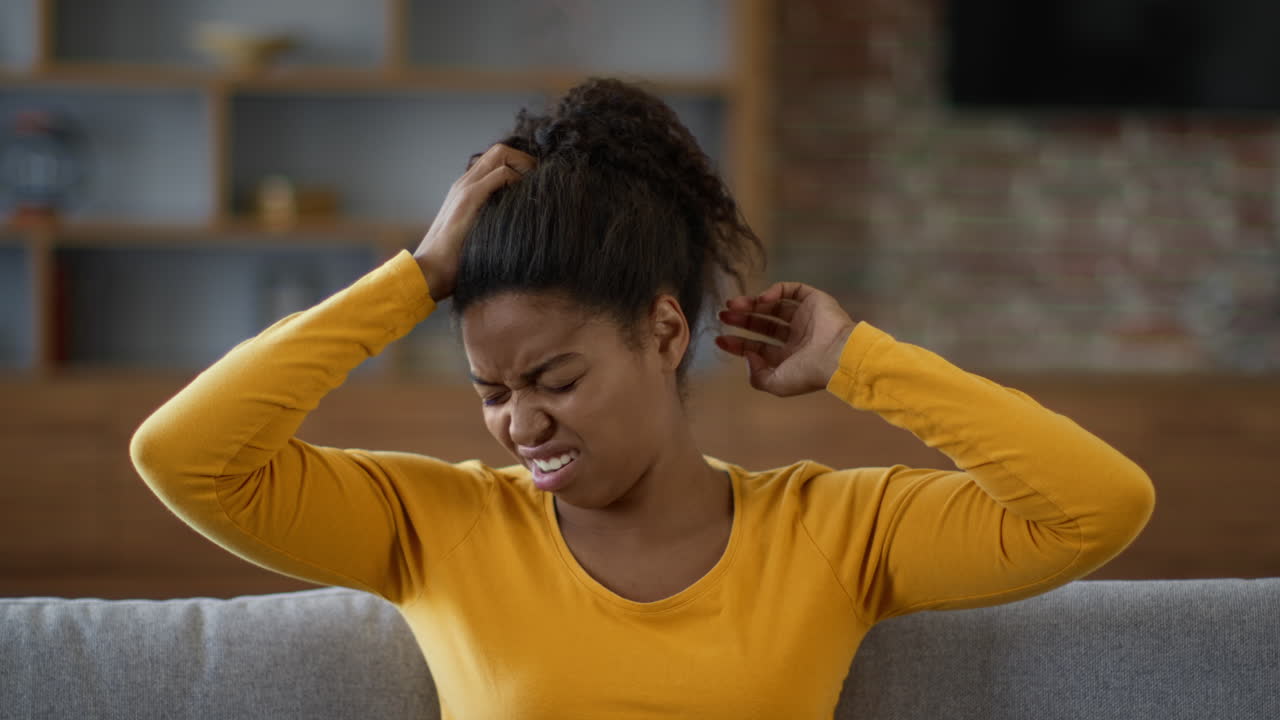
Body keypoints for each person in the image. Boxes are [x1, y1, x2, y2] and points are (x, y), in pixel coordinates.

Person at [131, 78, 1155, 718]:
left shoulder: (834, 532)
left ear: (665, 331)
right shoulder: (433, 529)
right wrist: (416, 277)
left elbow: (1094, 507)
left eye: (554, 378)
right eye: (491, 391)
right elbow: (184, 457)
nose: (519, 424)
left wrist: (858, 362)